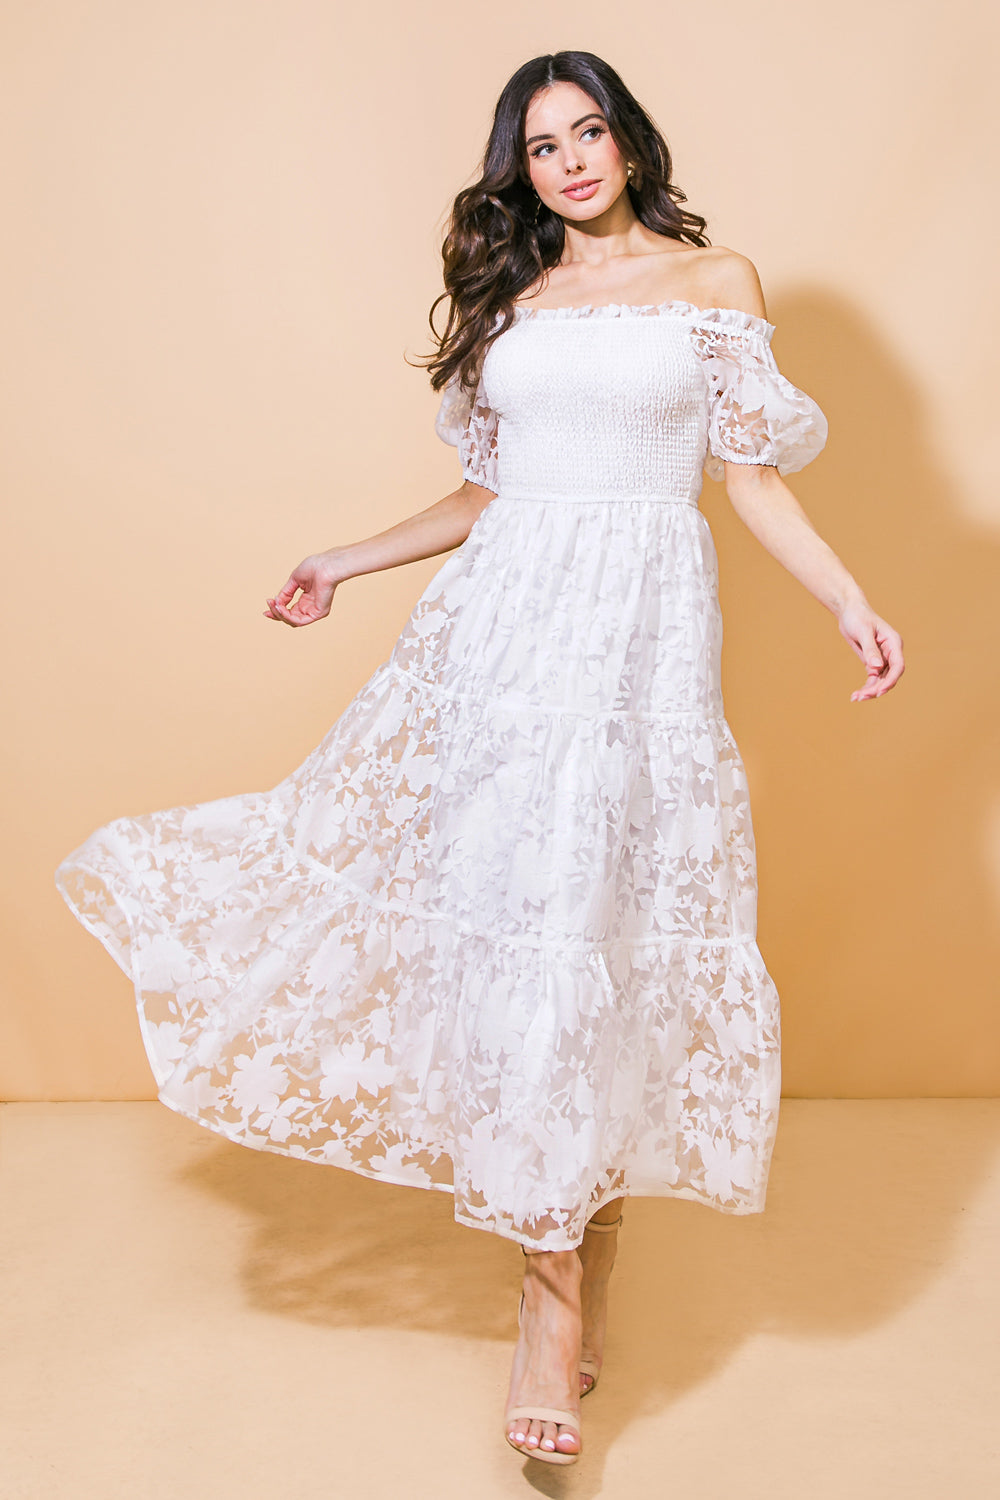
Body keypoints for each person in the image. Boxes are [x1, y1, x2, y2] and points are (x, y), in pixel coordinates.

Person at [56, 49, 904, 1469]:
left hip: (638, 660)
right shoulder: (519, 296)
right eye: (541, 145)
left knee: (605, 943)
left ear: (630, 142)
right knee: (526, 939)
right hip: (501, 653)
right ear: (521, 168)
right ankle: (548, 1307)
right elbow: (489, 489)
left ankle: (577, 1262)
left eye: (589, 132)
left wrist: (847, 601)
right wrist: (344, 558)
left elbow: (750, 478)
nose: (568, 163)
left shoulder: (716, 285)